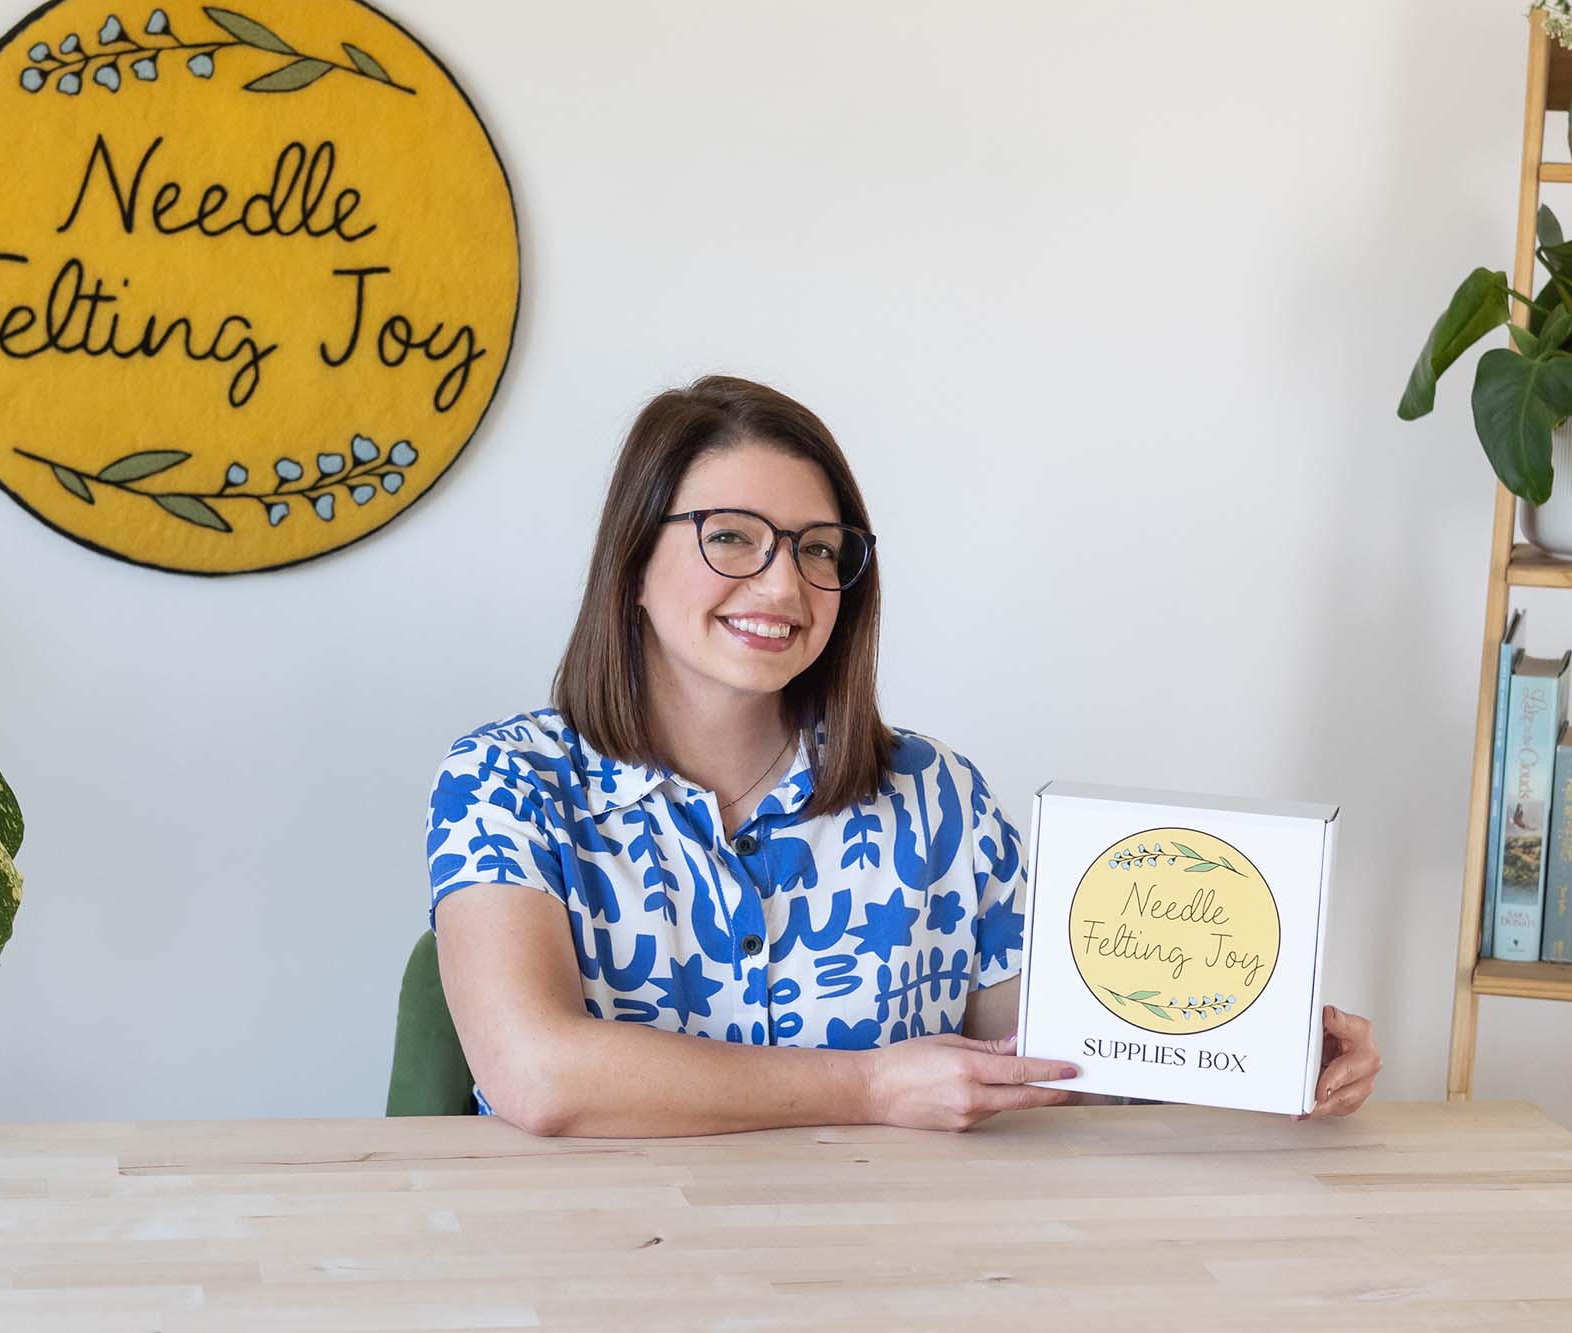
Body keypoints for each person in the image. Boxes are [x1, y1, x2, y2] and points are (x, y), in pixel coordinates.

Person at [425, 375, 1382, 1137]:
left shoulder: (937, 800)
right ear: (632, 561)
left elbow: (1073, 1051)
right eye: (731, 538)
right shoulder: (506, 784)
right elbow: (537, 1073)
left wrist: (1262, 1044)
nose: (782, 582)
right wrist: (874, 1085)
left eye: (819, 549)